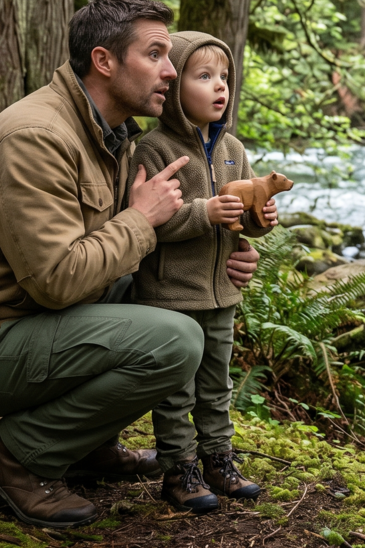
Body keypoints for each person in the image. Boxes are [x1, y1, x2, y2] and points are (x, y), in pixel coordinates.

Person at [0, 0, 262, 529]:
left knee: (178, 300)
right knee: (175, 339)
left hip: (40, 318)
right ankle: (14, 458)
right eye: (155, 55)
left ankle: (87, 447)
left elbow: (121, 252)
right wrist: (141, 218)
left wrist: (230, 254)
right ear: (104, 60)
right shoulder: (35, 137)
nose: (171, 71)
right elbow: (58, 279)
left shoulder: (113, 134)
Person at [127, 32, 277, 515]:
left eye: (225, 77)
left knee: (217, 385)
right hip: (171, 296)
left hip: (222, 293)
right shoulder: (153, 149)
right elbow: (147, 224)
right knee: (177, 391)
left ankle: (219, 460)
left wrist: (261, 221)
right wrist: (203, 213)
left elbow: (245, 221)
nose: (220, 87)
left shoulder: (233, 149)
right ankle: (180, 469)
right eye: (204, 76)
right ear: (173, 87)